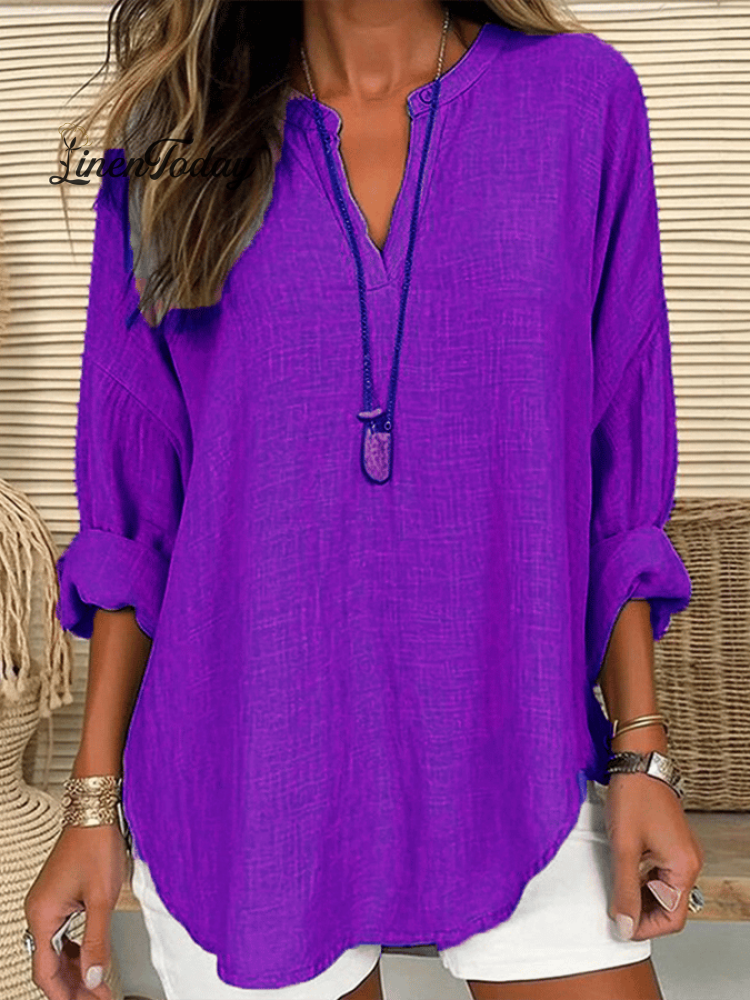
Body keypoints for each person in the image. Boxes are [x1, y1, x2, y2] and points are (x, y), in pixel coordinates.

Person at [24, 2, 705, 999]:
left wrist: (642, 753)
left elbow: (616, 452)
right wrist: (92, 805)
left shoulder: (579, 101)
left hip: (523, 744)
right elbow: (139, 512)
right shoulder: (178, 135)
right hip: (252, 762)